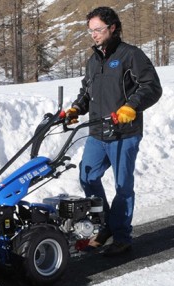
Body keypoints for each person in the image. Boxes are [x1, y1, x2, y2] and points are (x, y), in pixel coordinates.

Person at [65, 6, 162, 256]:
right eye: (90, 31)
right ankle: (106, 224)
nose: (94, 35)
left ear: (112, 27)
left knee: (123, 186)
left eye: (98, 30)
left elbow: (151, 87)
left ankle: (122, 236)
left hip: (124, 132)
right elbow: (87, 92)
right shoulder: (93, 60)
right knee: (88, 177)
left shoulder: (131, 55)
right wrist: (76, 109)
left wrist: (131, 106)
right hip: (98, 132)